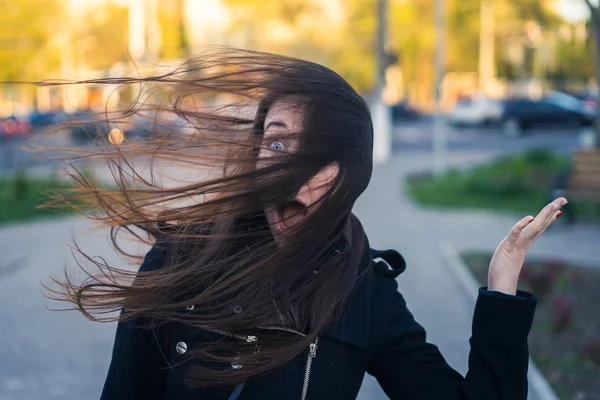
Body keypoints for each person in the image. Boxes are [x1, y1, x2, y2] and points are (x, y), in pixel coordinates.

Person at [46, 48, 567, 400]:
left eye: (313, 150)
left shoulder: (366, 293)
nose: (288, 163)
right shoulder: (183, 256)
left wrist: (502, 286)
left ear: (347, 172)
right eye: (275, 142)